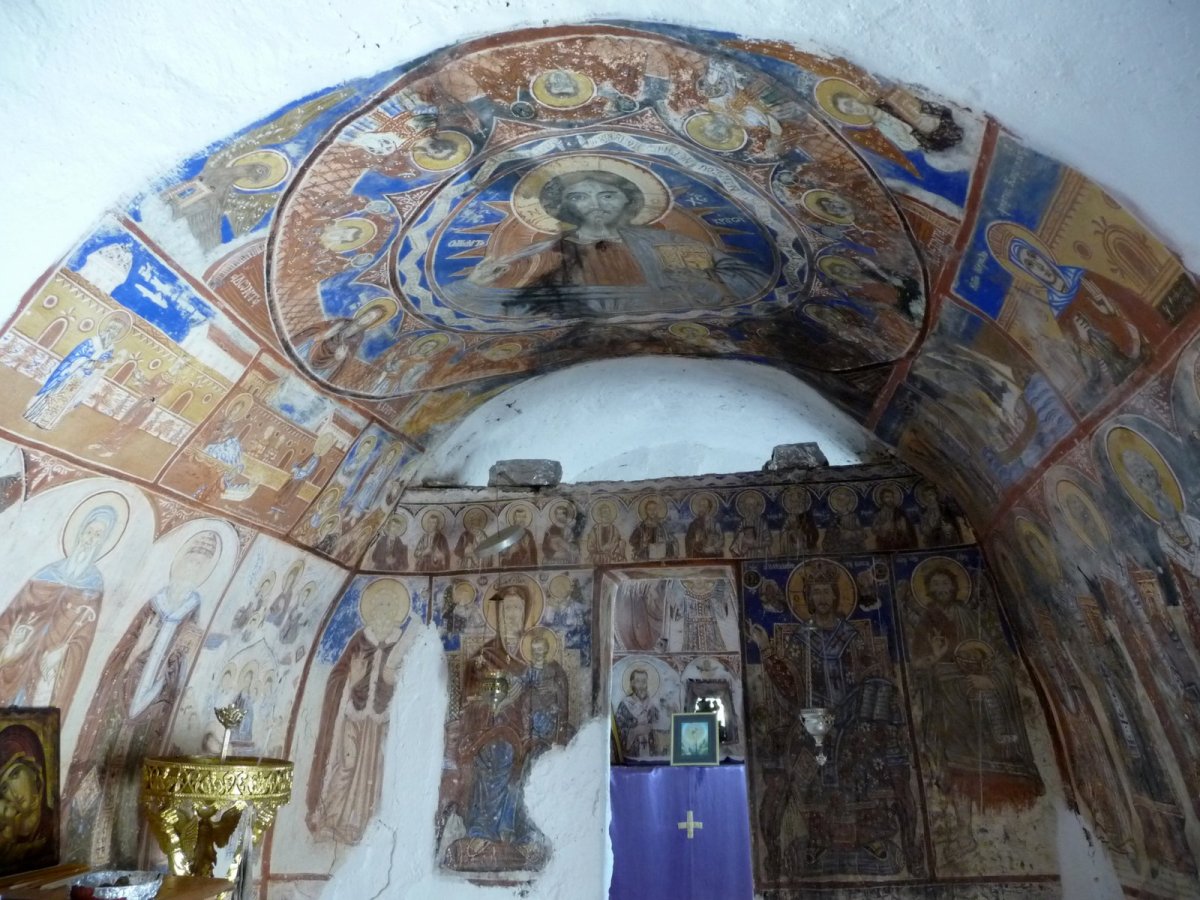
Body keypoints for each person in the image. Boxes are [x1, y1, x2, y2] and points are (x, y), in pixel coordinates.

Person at [65, 530, 220, 864]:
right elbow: (120, 658)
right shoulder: (153, 605)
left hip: (152, 711)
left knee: (132, 790)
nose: (194, 564)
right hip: (120, 701)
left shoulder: (193, 615)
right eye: (192, 556)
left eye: (202, 561)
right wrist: (141, 647)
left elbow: (178, 674)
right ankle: (79, 857)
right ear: (179, 561)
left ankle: (122, 861)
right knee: (98, 774)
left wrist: (178, 660)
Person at [464, 167, 768, 315]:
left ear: (627, 200)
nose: (596, 204)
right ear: (563, 207)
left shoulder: (667, 242)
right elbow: (489, 301)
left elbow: (751, 279)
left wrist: (703, 283)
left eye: (608, 195)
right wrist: (474, 285)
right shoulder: (540, 253)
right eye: (579, 197)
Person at [307, 578, 412, 844]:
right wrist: (350, 681)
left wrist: (394, 680)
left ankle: (359, 825)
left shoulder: (400, 643)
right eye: (380, 604)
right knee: (347, 763)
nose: (384, 610)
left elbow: (411, 682)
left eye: (390, 605)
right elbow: (337, 675)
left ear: (396, 612)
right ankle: (331, 818)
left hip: (382, 719)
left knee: (374, 771)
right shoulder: (360, 640)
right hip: (353, 712)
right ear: (372, 609)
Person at [0, 502, 122, 713]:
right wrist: (12, 643)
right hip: (16, 661)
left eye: (97, 536)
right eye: (89, 532)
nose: (90, 539)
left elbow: (82, 640)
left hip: (47, 674)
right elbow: (10, 618)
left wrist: (63, 653)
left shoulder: (93, 586)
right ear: (80, 533)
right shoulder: (46, 575)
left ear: (103, 543)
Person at [23, 314, 130, 430]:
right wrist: (91, 362)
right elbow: (76, 356)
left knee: (66, 401)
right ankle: (36, 416)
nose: (113, 332)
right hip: (72, 374)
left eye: (117, 331)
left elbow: (102, 366)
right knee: (55, 396)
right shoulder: (92, 341)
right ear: (107, 328)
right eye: (112, 328)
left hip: (84, 379)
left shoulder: (110, 348)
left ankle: (46, 422)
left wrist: (110, 363)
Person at [291, 302, 391, 382]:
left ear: (372, 322)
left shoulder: (358, 337)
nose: (366, 319)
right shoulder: (344, 321)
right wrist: (323, 335)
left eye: (371, 319)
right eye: (368, 315)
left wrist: (339, 358)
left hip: (327, 362)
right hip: (314, 348)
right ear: (364, 312)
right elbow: (320, 329)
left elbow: (347, 357)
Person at [0, 724, 54, 863]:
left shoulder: (53, 826)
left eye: (15, 774)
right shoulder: (7, 836)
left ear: (35, 773)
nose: (13, 792)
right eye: (4, 787)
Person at [614, 667, 662, 759]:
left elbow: (659, 726)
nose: (641, 685)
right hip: (631, 756)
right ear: (632, 683)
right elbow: (617, 731)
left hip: (651, 755)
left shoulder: (652, 706)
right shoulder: (625, 705)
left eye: (644, 681)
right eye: (638, 681)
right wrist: (634, 731)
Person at [871, 485, 917, 550]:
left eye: (891, 497)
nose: (890, 499)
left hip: (899, 541)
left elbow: (907, 528)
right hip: (884, 542)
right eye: (887, 497)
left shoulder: (900, 512)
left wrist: (901, 526)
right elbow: (874, 529)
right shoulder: (878, 513)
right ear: (882, 499)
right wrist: (883, 527)